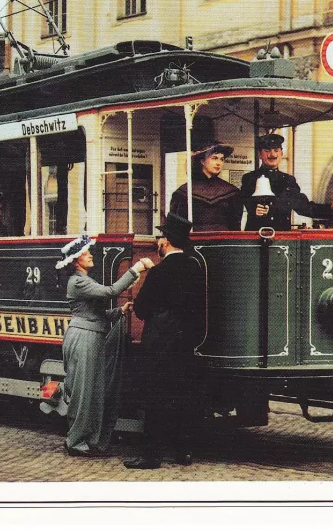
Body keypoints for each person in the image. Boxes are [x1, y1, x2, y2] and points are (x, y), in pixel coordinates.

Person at [56, 234, 154, 457]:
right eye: (85, 253)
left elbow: (96, 314)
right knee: (84, 392)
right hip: (84, 338)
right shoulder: (78, 281)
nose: (90, 255)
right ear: (75, 260)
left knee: (92, 391)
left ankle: (86, 439)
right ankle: (76, 441)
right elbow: (110, 292)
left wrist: (119, 311)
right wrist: (136, 269)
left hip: (90, 336)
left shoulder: (84, 280)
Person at [124, 212, 206, 469]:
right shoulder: (195, 267)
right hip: (185, 344)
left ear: (167, 241)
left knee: (156, 399)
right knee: (182, 397)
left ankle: (151, 456)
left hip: (160, 345)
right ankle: (183, 453)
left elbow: (142, 309)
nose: (158, 241)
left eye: (161, 237)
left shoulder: (160, 272)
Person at [240, 133, 333, 231]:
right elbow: (247, 203)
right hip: (255, 236)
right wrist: (255, 211)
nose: (272, 154)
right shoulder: (249, 178)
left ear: (281, 153)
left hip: (282, 239)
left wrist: (330, 208)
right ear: (259, 154)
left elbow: (304, 207)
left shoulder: (288, 181)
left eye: (276, 150)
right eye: (267, 150)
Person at [169, 140, 242, 231]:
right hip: (194, 242)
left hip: (222, 242)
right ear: (203, 161)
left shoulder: (231, 192)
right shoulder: (184, 192)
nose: (219, 163)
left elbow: (235, 227)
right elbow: (175, 227)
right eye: (214, 158)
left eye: (221, 159)